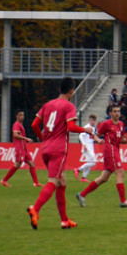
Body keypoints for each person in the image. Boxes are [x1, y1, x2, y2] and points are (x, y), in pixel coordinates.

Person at [27, 77, 88, 230]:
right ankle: (35, 209)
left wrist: (43, 139)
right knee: (53, 182)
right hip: (58, 150)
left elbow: (34, 124)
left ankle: (64, 220)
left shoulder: (47, 105)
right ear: (71, 91)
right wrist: (85, 130)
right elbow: (71, 127)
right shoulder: (68, 106)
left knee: (62, 182)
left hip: (45, 149)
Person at [78, 106, 127, 208]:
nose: (117, 113)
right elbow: (95, 135)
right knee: (120, 173)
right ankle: (123, 201)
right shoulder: (106, 124)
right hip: (110, 150)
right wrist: (99, 140)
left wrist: (126, 141)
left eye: (118, 111)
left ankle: (82, 195)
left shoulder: (121, 124)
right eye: (114, 111)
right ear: (110, 113)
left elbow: (121, 138)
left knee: (104, 178)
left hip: (115, 150)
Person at [0, 110, 41, 188]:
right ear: (17, 116)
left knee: (32, 163)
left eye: (23, 115)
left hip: (24, 148)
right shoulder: (16, 125)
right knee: (18, 164)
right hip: (19, 148)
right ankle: (4, 180)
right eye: (20, 115)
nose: (22, 117)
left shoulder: (20, 125)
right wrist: (26, 139)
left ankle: (36, 183)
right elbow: (15, 135)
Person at [74, 115, 98, 182]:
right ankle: (78, 170)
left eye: (94, 121)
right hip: (87, 147)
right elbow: (80, 136)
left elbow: (91, 137)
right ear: (89, 120)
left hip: (90, 146)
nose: (93, 122)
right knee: (93, 162)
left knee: (90, 162)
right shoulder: (87, 127)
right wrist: (84, 144)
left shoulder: (92, 128)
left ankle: (83, 177)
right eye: (92, 120)